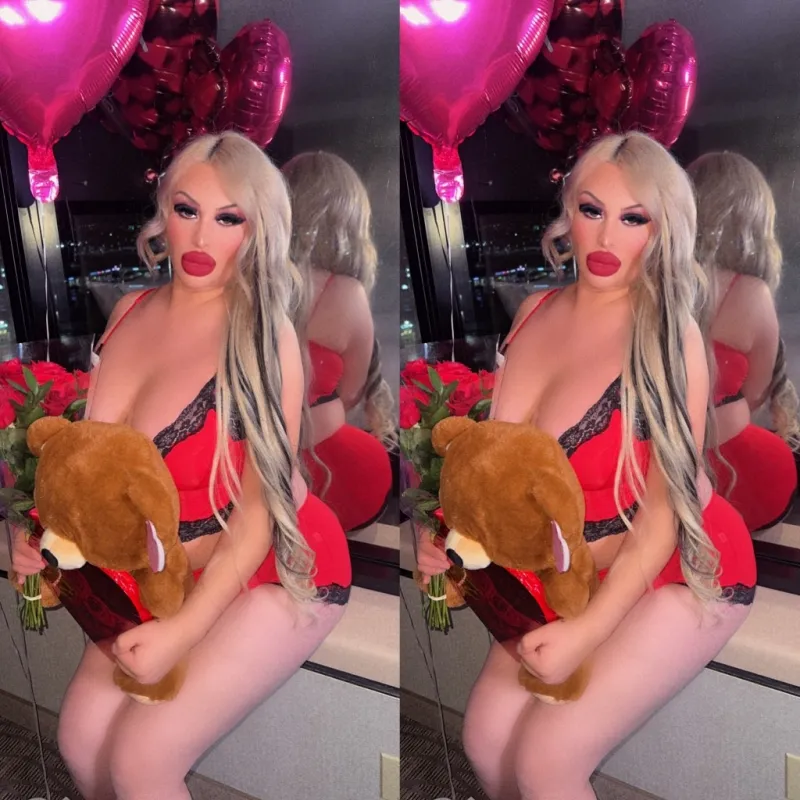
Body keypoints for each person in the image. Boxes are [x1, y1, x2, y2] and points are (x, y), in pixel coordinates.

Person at [11, 131, 351, 800]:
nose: (200, 237)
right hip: (157, 567)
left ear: (257, 229)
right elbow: (96, 467)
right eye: (187, 209)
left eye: (229, 218)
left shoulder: (265, 335)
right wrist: (38, 532)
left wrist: (183, 632)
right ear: (162, 209)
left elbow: (259, 512)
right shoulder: (128, 312)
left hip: (271, 563)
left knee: (142, 758)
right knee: (81, 742)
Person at [415, 132, 755, 800]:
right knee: (485, 740)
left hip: (679, 563)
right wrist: (450, 532)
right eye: (591, 209)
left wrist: (588, 632)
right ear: (566, 210)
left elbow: (664, 514)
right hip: (565, 570)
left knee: (547, 759)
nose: (605, 236)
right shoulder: (534, 312)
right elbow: (504, 468)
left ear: (662, 229)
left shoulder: (669, 335)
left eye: (634, 218)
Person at [281, 151, 394, 533]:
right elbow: (351, 393)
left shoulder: (247, 285)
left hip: (253, 467)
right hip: (336, 470)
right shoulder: (348, 294)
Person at [688, 151, 798, 533]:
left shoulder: (655, 284)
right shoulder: (752, 294)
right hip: (735, 471)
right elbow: (756, 393)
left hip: (660, 466)